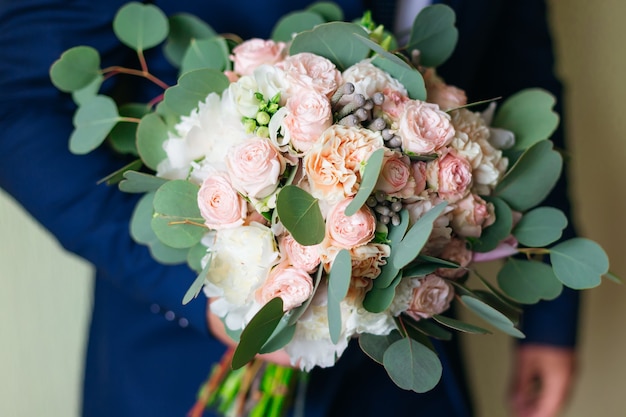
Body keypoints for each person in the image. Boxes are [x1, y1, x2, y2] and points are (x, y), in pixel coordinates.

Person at [0, 1, 577, 416]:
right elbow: (14, 99)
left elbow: (517, 85)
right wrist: (213, 291)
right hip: (179, 363)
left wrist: (552, 318)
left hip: (402, 365)